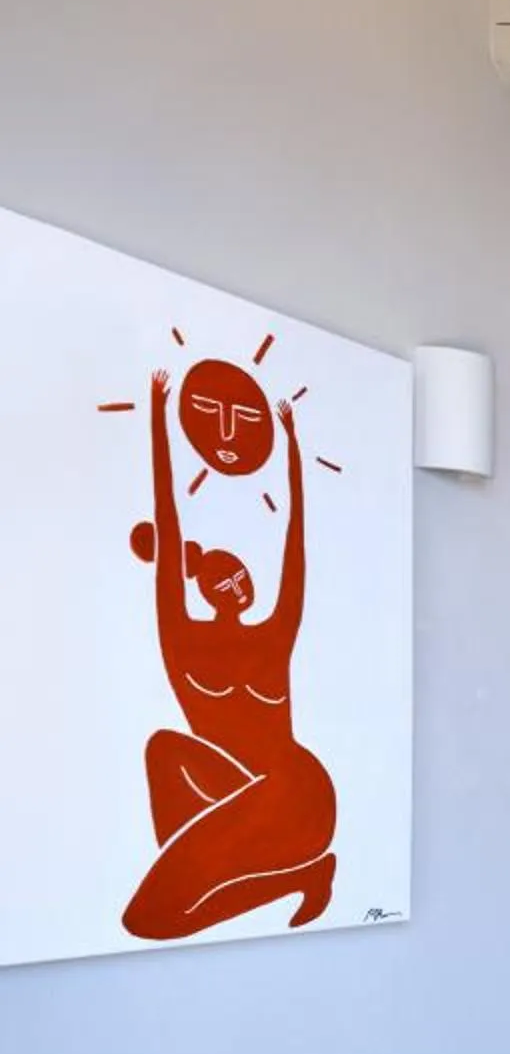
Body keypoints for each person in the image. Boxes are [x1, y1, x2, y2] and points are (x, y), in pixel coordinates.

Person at [122, 364, 337, 938]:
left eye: (242, 576)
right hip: (244, 791)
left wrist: (291, 448)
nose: (238, 584)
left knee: (148, 919)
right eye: (225, 578)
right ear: (204, 587)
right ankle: (295, 875)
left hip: (298, 793)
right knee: (164, 749)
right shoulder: (183, 640)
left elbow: (295, 545)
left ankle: (294, 872)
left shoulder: (272, 634)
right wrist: (158, 421)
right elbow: (168, 528)